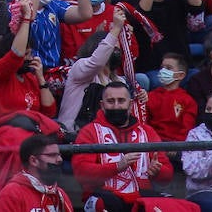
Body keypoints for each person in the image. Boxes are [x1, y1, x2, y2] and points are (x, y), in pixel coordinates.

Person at [71, 80, 172, 210]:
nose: (116, 106)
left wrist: (157, 171)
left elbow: (167, 177)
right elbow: (82, 173)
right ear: (102, 105)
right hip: (105, 195)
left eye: (121, 101)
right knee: (104, 203)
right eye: (111, 101)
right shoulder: (89, 131)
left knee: (170, 203)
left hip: (141, 196)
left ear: (130, 105)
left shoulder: (147, 132)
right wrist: (117, 166)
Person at [0, 134, 72, 212]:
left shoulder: (60, 194)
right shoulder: (12, 192)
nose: (60, 159)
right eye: (52, 155)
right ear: (33, 160)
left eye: (59, 155)